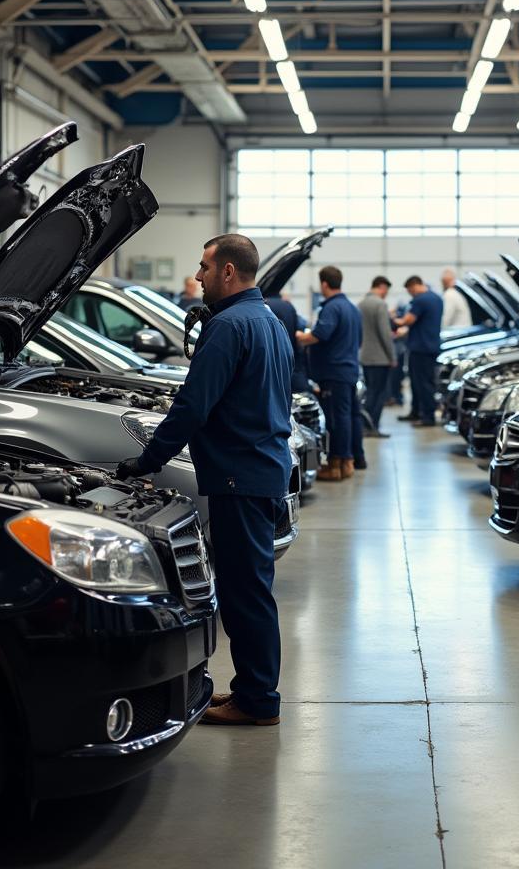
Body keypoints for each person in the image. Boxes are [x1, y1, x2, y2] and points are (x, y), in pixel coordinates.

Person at [116, 234, 292, 727]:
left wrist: (147, 460)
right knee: (251, 590)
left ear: (228, 272)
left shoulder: (229, 326)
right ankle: (252, 691)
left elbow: (193, 405)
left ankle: (257, 700)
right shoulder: (269, 322)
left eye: (204, 267)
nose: (198, 276)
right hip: (262, 469)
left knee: (245, 595)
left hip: (241, 475)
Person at [296, 266, 363, 479]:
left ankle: (336, 465)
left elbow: (320, 334)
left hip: (334, 373)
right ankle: (349, 461)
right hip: (349, 371)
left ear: (324, 284)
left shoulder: (331, 308)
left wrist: (299, 336)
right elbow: (359, 339)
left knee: (336, 419)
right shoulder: (351, 308)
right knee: (349, 417)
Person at [394, 276, 443, 427]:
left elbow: (407, 320)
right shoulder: (436, 298)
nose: (411, 294)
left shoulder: (421, 300)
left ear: (414, 286)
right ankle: (416, 412)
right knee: (419, 383)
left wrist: (391, 319)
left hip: (421, 348)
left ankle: (428, 417)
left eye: (410, 291)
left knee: (422, 384)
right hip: (430, 346)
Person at [358, 275, 395, 436]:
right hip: (380, 358)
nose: (386, 293)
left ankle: (365, 425)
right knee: (378, 394)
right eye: (386, 290)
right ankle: (372, 427)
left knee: (370, 392)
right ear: (381, 287)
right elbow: (385, 333)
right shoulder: (380, 304)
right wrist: (392, 357)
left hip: (365, 356)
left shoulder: (361, 304)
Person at [265, 288, 311, 393]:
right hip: (291, 368)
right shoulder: (288, 307)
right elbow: (297, 338)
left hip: (270, 371)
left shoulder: (261, 307)